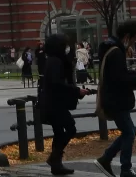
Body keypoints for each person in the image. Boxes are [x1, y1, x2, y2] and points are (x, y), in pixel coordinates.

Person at [95, 20, 136, 177]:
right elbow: (119, 79)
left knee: (128, 131)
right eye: (134, 38)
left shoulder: (112, 49)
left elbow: (117, 74)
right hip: (117, 99)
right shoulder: (117, 52)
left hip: (113, 98)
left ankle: (107, 159)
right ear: (127, 36)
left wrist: (133, 74)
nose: (134, 42)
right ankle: (124, 168)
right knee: (129, 132)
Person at [39, 34, 90, 176]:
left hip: (51, 102)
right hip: (55, 104)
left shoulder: (52, 60)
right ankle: (54, 158)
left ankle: (56, 165)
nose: (67, 48)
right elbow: (58, 84)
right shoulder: (55, 62)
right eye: (64, 45)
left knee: (59, 132)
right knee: (70, 128)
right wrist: (76, 91)